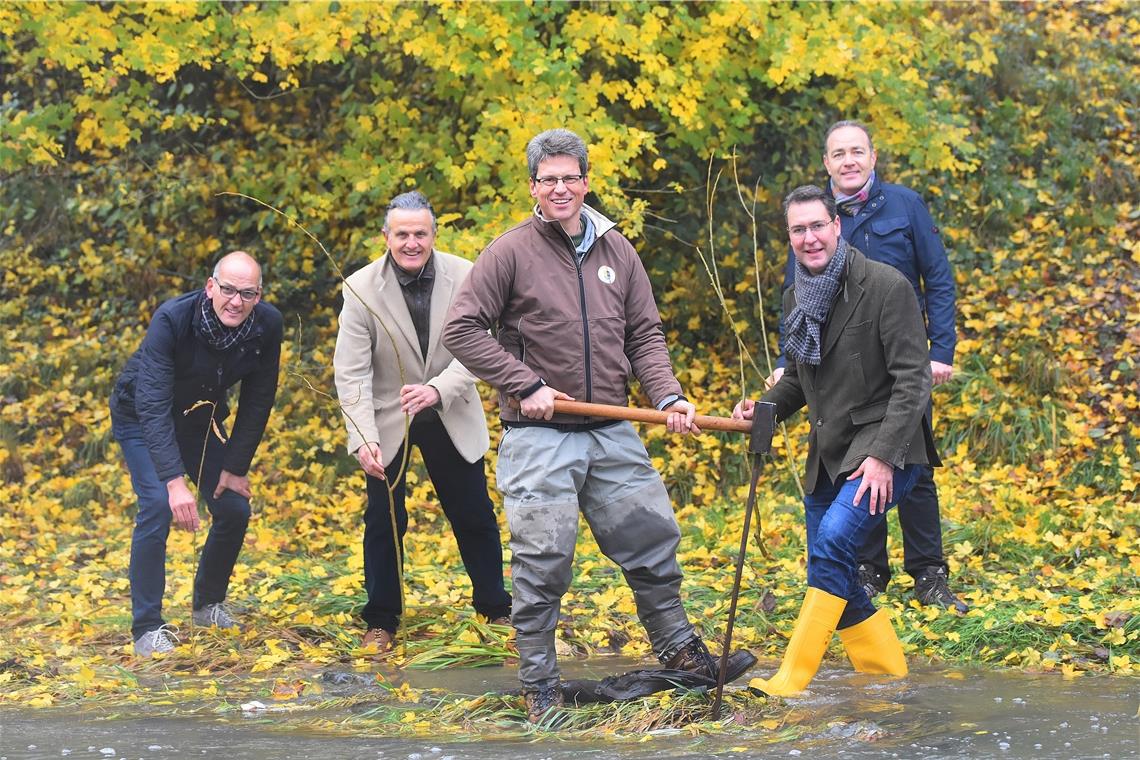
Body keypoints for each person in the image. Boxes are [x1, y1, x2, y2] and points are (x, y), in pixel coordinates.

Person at [443, 128, 753, 723]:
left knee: (651, 541)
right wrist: (524, 384)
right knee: (544, 564)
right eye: (548, 179)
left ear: (586, 182)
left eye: (570, 177)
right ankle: (540, 687)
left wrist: (668, 395)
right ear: (533, 187)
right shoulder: (509, 252)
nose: (560, 188)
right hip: (539, 437)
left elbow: (644, 335)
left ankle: (681, 652)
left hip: (613, 431)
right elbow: (461, 331)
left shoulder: (619, 252)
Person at [735, 185, 940, 695]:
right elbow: (801, 379)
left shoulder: (886, 286)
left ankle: (791, 677)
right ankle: (887, 674)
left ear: (837, 227)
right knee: (831, 564)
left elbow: (913, 382)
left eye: (817, 226)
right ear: (790, 238)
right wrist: (762, 409)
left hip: (889, 447)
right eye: (798, 230)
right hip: (829, 455)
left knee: (830, 546)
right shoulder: (796, 294)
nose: (809, 238)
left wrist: (883, 459)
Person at [770, 120, 966, 613]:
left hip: (893, 381)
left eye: (858, 151)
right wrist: (768, 401)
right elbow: (802, 351)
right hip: (836, 413)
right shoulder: (803, 281)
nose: (810, 237)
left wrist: (940, 350)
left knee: (904, 479)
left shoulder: (902, 210)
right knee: (834, 553)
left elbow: (938, 281)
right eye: (799, 230)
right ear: (827, 163)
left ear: (873, 157)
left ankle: (928, 572)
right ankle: (869, 599)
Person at [333, 191, 512, 653]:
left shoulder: (467, 274)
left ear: (434, 233)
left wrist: (439, 388)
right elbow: (351, 373)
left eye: (420, 233)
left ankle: (496, 609)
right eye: (402, 234)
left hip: (450, 407)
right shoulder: (359, 287)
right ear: (386, 237)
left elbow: (484, 346)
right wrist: (363, 439)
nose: (411, 242)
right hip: (387, 418)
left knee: (473, 514)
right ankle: (381, 620)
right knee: (385, 520)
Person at [110, 251, 283, 657]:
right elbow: (152, 403)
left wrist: (235, 468)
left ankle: (207, 605)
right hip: (140, 414)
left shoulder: (266, 326)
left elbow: (259, 399)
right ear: (210, 287)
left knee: (234, 507)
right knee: (155, 505)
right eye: (227, 290)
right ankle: (147, 630)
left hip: (198, 419)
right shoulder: (173, 319)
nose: (235, 301)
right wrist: (174, 482)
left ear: (258, 296)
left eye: (247, 293)